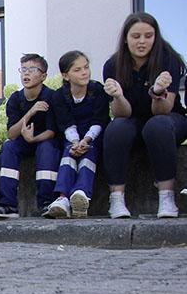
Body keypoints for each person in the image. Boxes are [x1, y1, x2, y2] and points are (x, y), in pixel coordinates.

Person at [101, 12, 187, 219]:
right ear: (126, 38)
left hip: (168, 120)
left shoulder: (168, 60)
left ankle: (166, 197)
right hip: (132, 120)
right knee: (116, 128)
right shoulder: (113, 65)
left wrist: (157, 92)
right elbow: (121, 113)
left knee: (157, 125)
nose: (142, 42)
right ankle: (117, 199)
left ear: (155, 37)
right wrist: (119, 97)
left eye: (148, 36)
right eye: (136, 36)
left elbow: (163, 110)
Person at [0, 54, 59, 219]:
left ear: (43, 76)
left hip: (45, 139)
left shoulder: (51, 96)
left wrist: (33, 138)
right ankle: (8, 205)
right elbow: (12, 134)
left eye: (32, 70)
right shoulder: (15, 99)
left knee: (47, 148)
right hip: (23, 141)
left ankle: (46, 204)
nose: (26, 74)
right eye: (24, 69)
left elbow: (53, 131)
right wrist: (31, 111)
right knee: (8, 147)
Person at [43, 51, 111, 218]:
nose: (84, 72)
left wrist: (86, 140)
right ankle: (63, 198)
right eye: (77, 69)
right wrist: (75, 142)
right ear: (66, 75)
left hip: (94, 135)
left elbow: (99, 121)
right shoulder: (59, 96)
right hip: (71, 137)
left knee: (89, 153)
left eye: (86, 67)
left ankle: (81, 194)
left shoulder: (97, 90)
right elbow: (66, 123)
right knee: (68, 155)